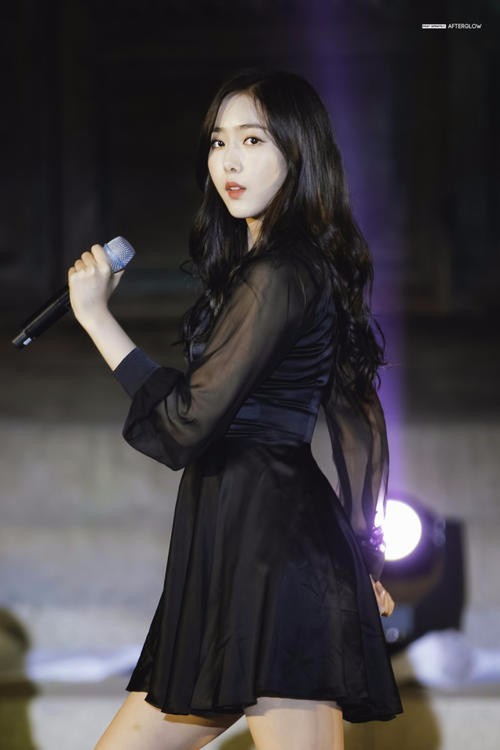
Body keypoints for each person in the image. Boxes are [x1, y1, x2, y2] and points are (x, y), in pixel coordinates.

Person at [68, 69, 402, 750]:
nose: (229, 160)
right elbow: (360, 422)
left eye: (253, 140)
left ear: (297, 152)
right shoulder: (283, 268)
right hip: (232, 546)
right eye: (219, 141)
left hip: (273, 556)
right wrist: (364, 555)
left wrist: (98, 320)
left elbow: (185, 424)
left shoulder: (281, 273)